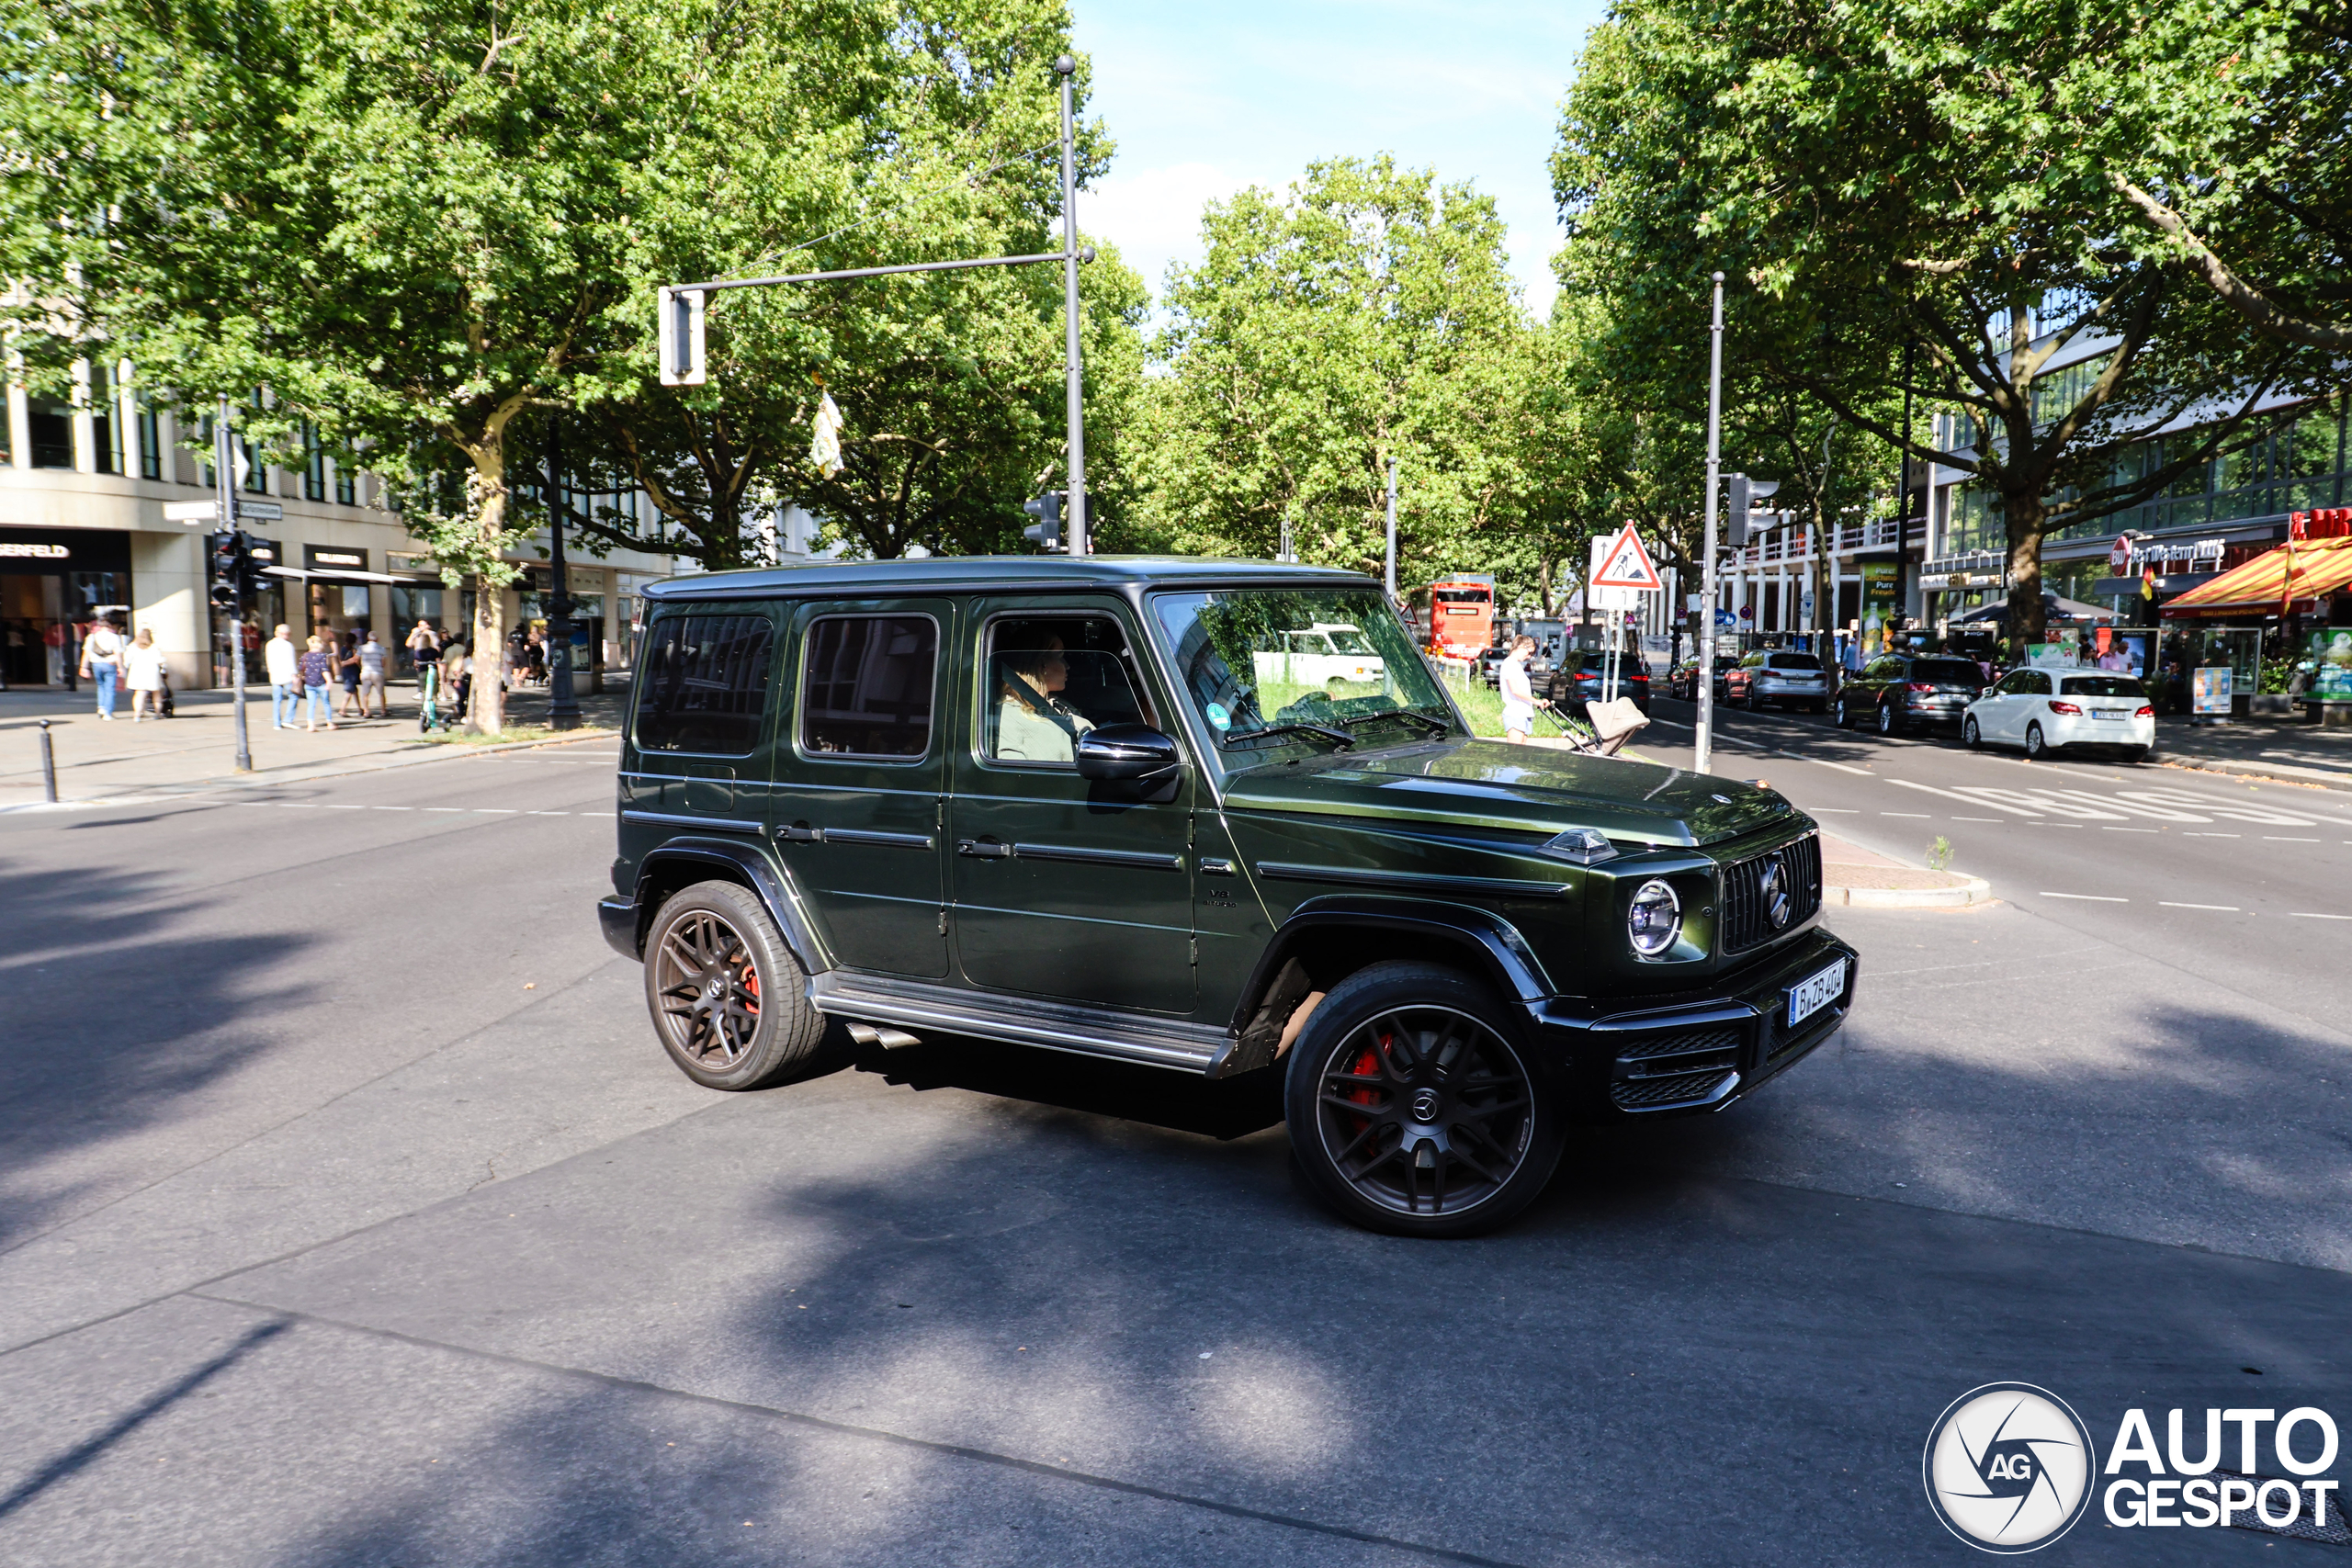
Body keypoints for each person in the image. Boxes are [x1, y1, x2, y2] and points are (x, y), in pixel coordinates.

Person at [994, 632, 1095, 762]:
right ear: (1041, 663)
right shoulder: (1007, 715)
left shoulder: (1058, 704)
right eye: (1060, 656)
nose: (1067, 665)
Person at [1498, 634, 1544, 743]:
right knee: (1514, 754)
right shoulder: (1509, 664)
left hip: (1524, 713)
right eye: (1529, 653)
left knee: (1521, 754)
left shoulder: (1516, 665)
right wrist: (1536, 701)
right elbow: (1515, 690)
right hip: (1515, 713)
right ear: (1521, 646)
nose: (1529, 657)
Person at [81, 615, 125, 719]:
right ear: (110, 625)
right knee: (109, 689)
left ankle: (101, 707)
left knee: (101, 686)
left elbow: (86, 653)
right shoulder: (114, 637)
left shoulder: (91, 637)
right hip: (110, 663)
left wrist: (84, 667)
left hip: (96, 664)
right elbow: (118, 654)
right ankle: (108, 713)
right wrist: (121, 667)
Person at [122, 627, 169, 721]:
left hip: (137, 671)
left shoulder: (133, 646)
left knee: (139, 693)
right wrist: (164, 668)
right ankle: (158, 713)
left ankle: (137, 714)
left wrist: (126, 666)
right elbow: (160, 660)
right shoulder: (153, 647)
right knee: (156, 693)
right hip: (152, 672)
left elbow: (127, 660)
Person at [298, 633, 336, 731]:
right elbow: (324, 669)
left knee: (311, 705)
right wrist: (329, 680)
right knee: (326, 703)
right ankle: (330, 723)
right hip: (321, 683)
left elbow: (300, 669)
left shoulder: (305, 656)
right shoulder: (322, 656)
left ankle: (310, 725)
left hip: (308, 683)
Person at [264, 624, 300, 728]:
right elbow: (291, 661)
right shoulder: (288, 645)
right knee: (293, 696)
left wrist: (270, 671)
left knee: (277, 700)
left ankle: (276, 723)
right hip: (287, 675)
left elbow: (268, 660)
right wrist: (294, 675)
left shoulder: (269, 644)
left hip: (275, 675)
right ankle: (288, 719)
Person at [356, 631, 388, 718]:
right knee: (381, 693)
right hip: (377, 672)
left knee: (365, 693)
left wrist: (361, 666)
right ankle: (383, 710)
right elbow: (383, 663)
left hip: (366, 672)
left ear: (368, 638)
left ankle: (366, 711)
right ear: (377, 639)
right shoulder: (382, 649)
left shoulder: (361, 648)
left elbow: (356, 659)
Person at [334, 631, 364, 717]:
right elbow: (356, 660)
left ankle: (359, 709)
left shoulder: (342, 649)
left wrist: (344, 663)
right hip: (352, 672)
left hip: (345, 671)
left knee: (354, 691)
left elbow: (341, 660)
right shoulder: (353, 650)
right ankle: (342, 709)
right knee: (350, 691)